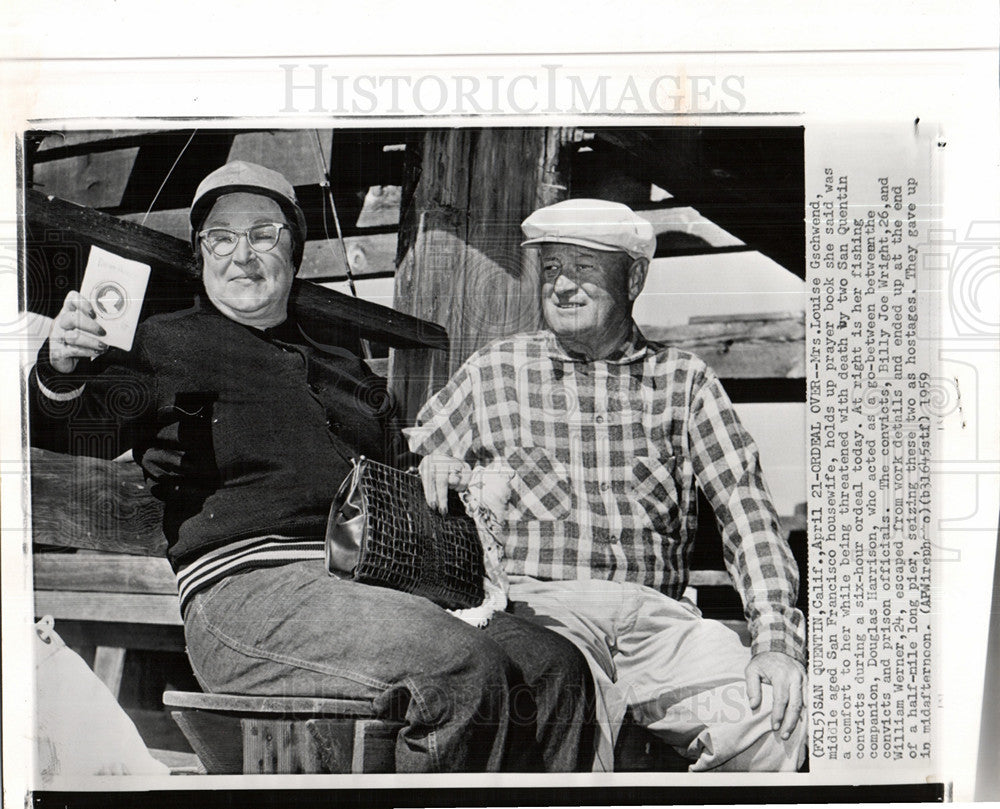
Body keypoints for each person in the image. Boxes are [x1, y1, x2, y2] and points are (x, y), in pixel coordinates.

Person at [28, 161, 594, 773]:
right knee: (458, 669)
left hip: (376, 585)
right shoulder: (165, 343)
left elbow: (399, 470)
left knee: (556, 669)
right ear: (201, 255)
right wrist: (60, 368)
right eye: (220, 238)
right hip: (249, 595)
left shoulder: (341, 364)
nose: (242, 254)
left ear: (293, 254)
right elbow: (71, 425)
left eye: (263, 234)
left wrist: (435, 474)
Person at [407, 198, 807, 772]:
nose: (563, 286)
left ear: (635, 277)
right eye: (550, 269)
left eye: (585, 268)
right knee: (562, 723)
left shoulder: (685, 381)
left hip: (660, 624)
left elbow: (746, 511)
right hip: (543, 613)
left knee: (777, 711)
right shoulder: (495, 370)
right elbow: (415, 456)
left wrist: (773, 642)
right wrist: (435, 465)